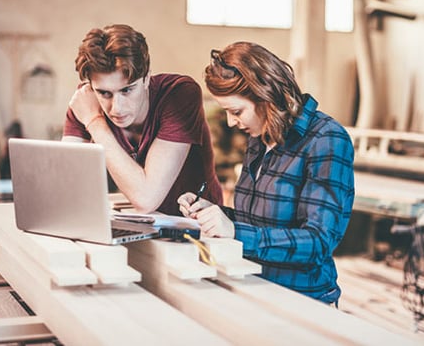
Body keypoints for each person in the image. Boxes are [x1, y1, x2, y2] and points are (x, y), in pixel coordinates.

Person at [177, 42, 355, 306]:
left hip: (303, 301)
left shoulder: (326, 139)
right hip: (253, 288)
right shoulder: (261, 137)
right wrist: (215, 214)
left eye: (236, 112)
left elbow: (319, 242)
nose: (231, 122)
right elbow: (261, 222)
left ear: (265, 96)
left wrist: (235, 232)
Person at [63, 24, 222, 215]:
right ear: (90, 86)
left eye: (127, 90)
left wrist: (95, 123)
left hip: (199, 224)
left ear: (147, 78)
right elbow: (66, 185)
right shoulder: (85, 102)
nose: (117, 108)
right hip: (142, 221)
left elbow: (146, 199)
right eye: (104, 93)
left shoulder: (179, 94)